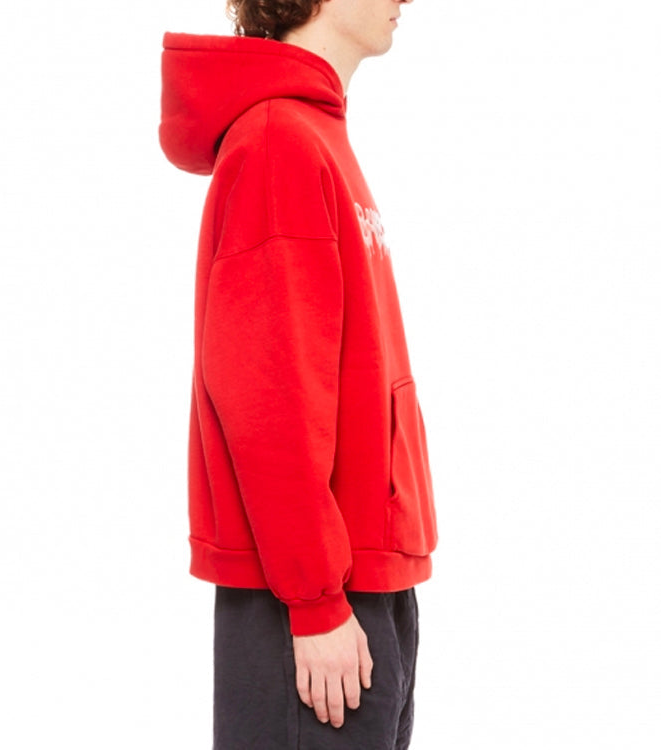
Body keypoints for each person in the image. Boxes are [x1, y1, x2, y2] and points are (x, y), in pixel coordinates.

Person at [159, 1, 438, 747]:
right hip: (311, 598)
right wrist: (315, 602)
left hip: (359, 581)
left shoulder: (316, 135)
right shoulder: (278, 141)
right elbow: (266, 397)